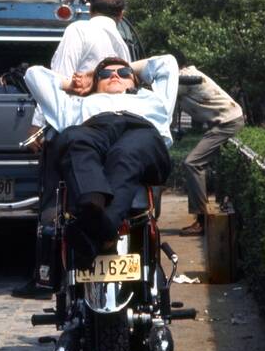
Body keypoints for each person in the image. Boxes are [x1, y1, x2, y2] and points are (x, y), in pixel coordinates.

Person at [14, 0, 131, 297]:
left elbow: (56, 79)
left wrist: (37, 125)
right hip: (110, 132)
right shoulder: (123, 45)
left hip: (70, 130)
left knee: (54, 202)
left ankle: (45, 278)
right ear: (121, 14)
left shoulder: (79, 31)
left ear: (89, 8)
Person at [25, 53, 177, 266]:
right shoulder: (77, 105)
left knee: (125, 152)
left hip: (141, 132)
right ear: (95, 85)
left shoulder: (152, 99)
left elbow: (166, 63)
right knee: (72, 137)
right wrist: (75, 83)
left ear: (134, 79)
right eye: (105, 74)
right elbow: (34, 75)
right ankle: (94, 208)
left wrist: (107, 70)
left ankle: (101, 231)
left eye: (123, 73)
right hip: (94, 129)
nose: (114, 75)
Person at [175, 66, 245, 236]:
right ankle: (202, 216)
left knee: (192, 163)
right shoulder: (184, 77)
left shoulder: (185, 78)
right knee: (199, 164)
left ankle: (201, 220)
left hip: (227, 123)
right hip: (225, 121)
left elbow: (163, 95)